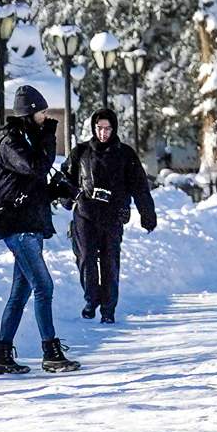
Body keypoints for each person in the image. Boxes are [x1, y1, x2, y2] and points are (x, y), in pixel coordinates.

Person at [0, 87, 80, 376]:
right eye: (42, 112)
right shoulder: (10, 141)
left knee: (20, 293)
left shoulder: (29, 139)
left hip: (31, 225)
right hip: (18, 227)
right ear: (29, 112)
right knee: (44, 286)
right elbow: (35, 167)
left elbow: (33, 186)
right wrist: (49, 136)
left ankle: (1, 355)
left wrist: (57, 190)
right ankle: (51, 352)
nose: (46, 117)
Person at [64, 106, 158, 323]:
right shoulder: (80, 153)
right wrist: (68, 198)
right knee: (86, 258)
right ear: (94, 128)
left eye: (107, 128)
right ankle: (91, 299)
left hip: (113, 215)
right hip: (85, 213)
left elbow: (140, 187)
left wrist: (147, 214)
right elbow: (66, 179)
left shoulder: (125, 154)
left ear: (114, 129)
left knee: (109, 262)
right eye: (99, 128)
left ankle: (108, 309)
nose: (103, 132)